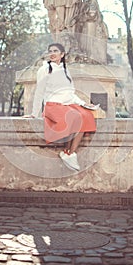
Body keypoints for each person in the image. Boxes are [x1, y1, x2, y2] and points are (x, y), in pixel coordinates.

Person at [27, 43, 97, 171]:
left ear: (62, 54)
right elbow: (39, 92)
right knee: (74, 117)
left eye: (55, 51)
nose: (52, 53)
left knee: (86, 115)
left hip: (67, 104)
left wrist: (83, 104)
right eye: (50, 51)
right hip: (53, 105)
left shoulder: (65, 71)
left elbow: (71, 93)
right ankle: (69, 153)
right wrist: (34, 113)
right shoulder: (44, 69)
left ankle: (69, 152)